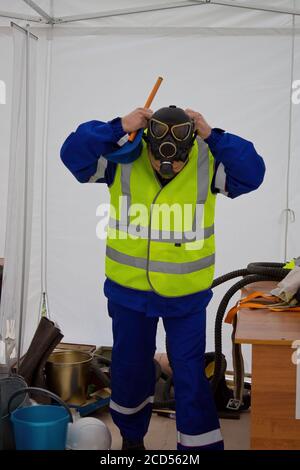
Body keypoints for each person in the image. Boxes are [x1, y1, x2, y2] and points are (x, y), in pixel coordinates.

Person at [61, 105, 265, 451]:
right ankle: (132, 438)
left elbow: (253, 173)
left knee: (190, 376)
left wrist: (211, 134)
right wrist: (117, 127)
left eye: (177, 159)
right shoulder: (122, 156)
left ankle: (197, 449)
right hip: (129, 292)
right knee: (129, 369)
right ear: (149, 145)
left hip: (185, 296)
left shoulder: (207, 160)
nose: (167, 164)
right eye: (159, 158)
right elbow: (72, 154)